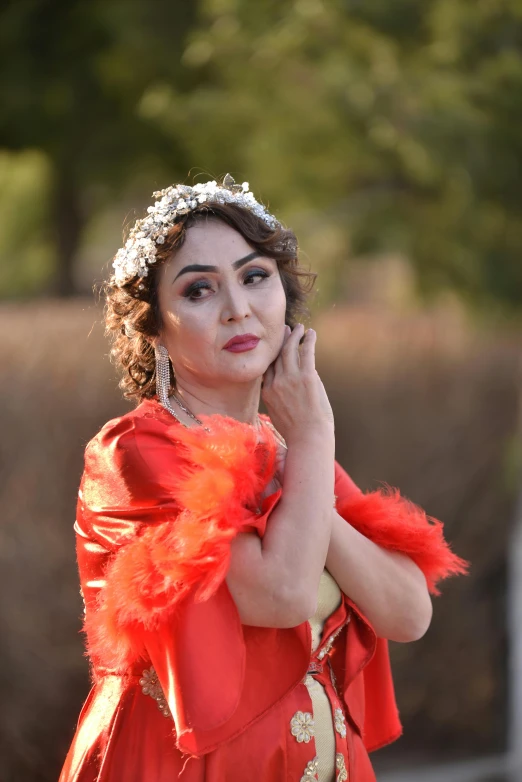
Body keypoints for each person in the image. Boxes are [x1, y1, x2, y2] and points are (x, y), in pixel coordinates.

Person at [59, 174, 468, 782]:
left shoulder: (289, 452)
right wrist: (311, 440)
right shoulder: (137, 451)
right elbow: (280, 595)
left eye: (255, 277)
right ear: (155, 328)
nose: (238, 308)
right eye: (200, 290)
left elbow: (407, 612)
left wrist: (298, 471)